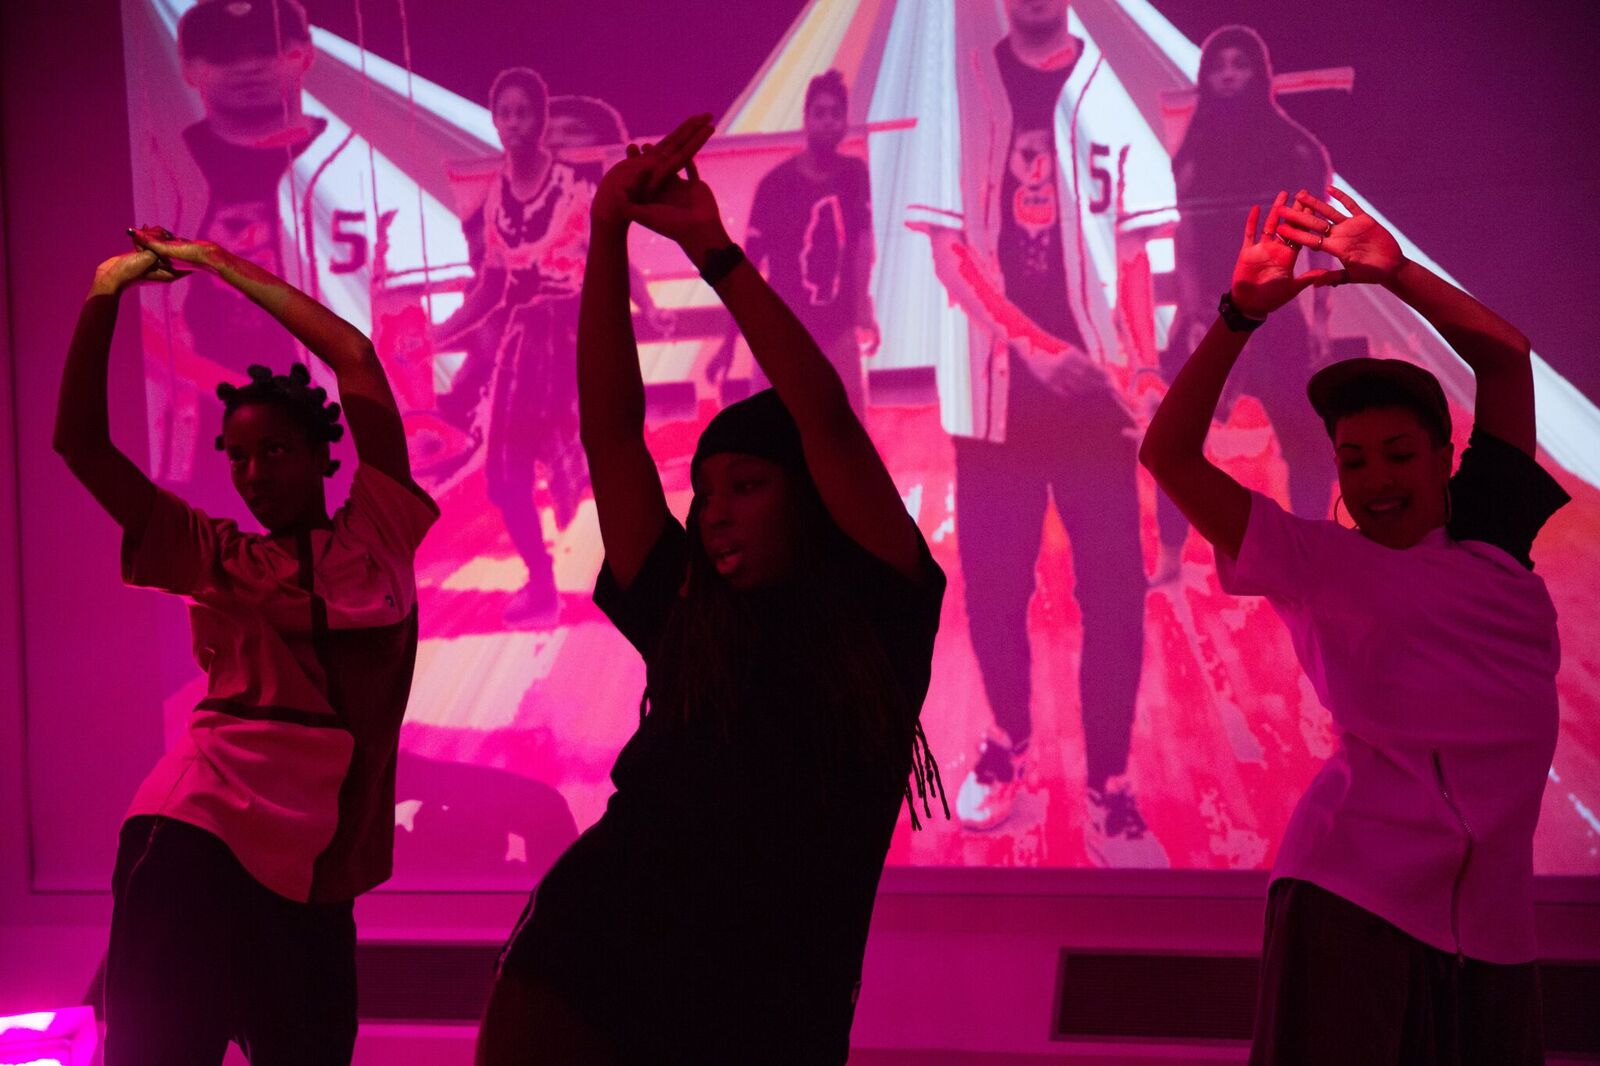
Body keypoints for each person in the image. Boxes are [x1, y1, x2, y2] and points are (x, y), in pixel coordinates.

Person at [476, 116, 947, 1065]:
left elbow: (824, 416)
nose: (716, 512)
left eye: (749, 486)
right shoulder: (691, 615)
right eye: (707, 493)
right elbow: (611, 436)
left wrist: (714, 253)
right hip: (588, 960)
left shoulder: (885, 610)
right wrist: (606, 233)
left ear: (809, 501)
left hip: (763, 1008)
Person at [1139, 186, 1566, 1064]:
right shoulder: (1314, 560)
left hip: (1494, 935)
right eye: (1353, 459)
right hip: (1350, 904)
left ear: (1446, 455)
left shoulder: (1494, 531)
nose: (1376, 479)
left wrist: (1399, 274)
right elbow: (1169, 454)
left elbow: (1508, 362)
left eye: (1400, 454)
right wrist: (1236, 316)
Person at [55, 228, 437, 1063]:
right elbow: (78, 445)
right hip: (198, 835)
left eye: (274, 451)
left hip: (314, 873)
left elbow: (357, 357)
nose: (255, 473)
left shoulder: (378, 533)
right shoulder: (219, 555)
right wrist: (105, 289)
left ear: (320, 455)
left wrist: (225, 268)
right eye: (237, 457)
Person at [922, 0, 1159, 864]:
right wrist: (1030, 346)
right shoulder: (964, 92)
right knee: (992, 594)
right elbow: (949, 254)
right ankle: (1008, 742)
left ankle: (1111, 784)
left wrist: (1142, 365)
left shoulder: (1108, 96)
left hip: (1095, 399)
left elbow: (1131, 253)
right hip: (997, 407)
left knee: (1116, 599)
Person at [1152, 25, 1335, 586]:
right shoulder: (1192, 152)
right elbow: (1185, 235)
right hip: (1205, 312)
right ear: (1206, 77)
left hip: (1277, 313)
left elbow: (1322, 242)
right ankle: (1169, 562)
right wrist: (1191, 308)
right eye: (1218, 66)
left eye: (1240, 64)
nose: (1229, 74)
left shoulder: (1296, 148)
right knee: (1175, 441)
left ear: (1260, 73)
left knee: (1306, 441)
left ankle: (1311, 554)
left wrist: (1322, 322)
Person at [433, 67, 593, 627]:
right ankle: (544, 585)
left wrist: (637, 319)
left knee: (559, 465)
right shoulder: (498, 197)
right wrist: (438, 336)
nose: (514, 124)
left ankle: (589, 581)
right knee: (505, 479)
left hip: (567, 345)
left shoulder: (576, 189)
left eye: (524, 112)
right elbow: (492, 289)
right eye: (505, 114)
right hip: (524, 350)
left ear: (542, 120)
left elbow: (606, 272)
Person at [710, 69, 879, 413]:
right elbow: (746, 269)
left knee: (848, 445)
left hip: (837, 331)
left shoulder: (854, 175)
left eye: (836, 113)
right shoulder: (775, 186)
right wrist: (729, 344)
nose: (829, 122)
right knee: (779, 445)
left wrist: (862, 306)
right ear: (806, 119)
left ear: (845, 120)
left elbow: (863, 245)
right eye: (820, 113)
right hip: (783, 335)